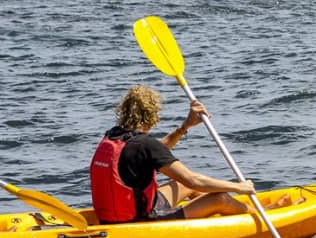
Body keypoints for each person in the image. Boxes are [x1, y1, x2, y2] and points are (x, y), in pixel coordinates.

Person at [89, 85, 256, 224]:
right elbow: (194, 180)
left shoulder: (113, 136)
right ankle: (257, 215)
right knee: (220, 198)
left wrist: (185, 127)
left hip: (112, 218)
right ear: (152, 115)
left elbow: (156, 152)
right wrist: (238, 187)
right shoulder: (145, 144)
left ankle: (212, 218)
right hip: (142, 221)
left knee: (181, 185)